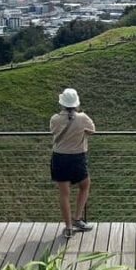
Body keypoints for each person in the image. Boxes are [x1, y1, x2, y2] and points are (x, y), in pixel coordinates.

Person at [50, 88, 95, 239]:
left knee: (64, 193)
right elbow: (92, 130)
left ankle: (68, 227)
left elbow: (53, 131)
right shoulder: (83, 118)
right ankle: (78, 218)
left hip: (59, 157)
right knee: (85, 185)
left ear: (62, 103)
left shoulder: (55, 119)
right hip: (77, 157)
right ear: (76, 103)